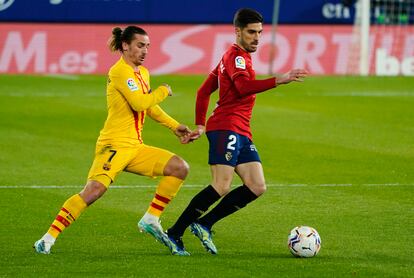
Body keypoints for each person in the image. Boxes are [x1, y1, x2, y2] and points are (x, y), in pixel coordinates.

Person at [34, 26, 192, 256]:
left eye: (148, 46)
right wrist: (163, 90)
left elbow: (149, 107)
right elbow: (140, 102)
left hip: (135, 147)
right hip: (114, 145)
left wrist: (174, 126)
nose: (145, 50)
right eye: (140, 45)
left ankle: (151, 218)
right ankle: (47, 239)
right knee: (93, 192)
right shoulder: (120, 71)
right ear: (125, 45)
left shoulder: (142, 72)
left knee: (179, 168)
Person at [164, 8, 308, 255]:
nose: (257, 37)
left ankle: (204, 223)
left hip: (240, 130)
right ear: (238, 31)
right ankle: (175, 232)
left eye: (260, 32)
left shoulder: (229, 57)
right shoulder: (236, 57)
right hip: (226, 127)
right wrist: (278, 80)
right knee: (221, 186)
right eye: (251, 32)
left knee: (256, 185)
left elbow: (203, 91)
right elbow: (242, 87)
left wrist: (200, 124)